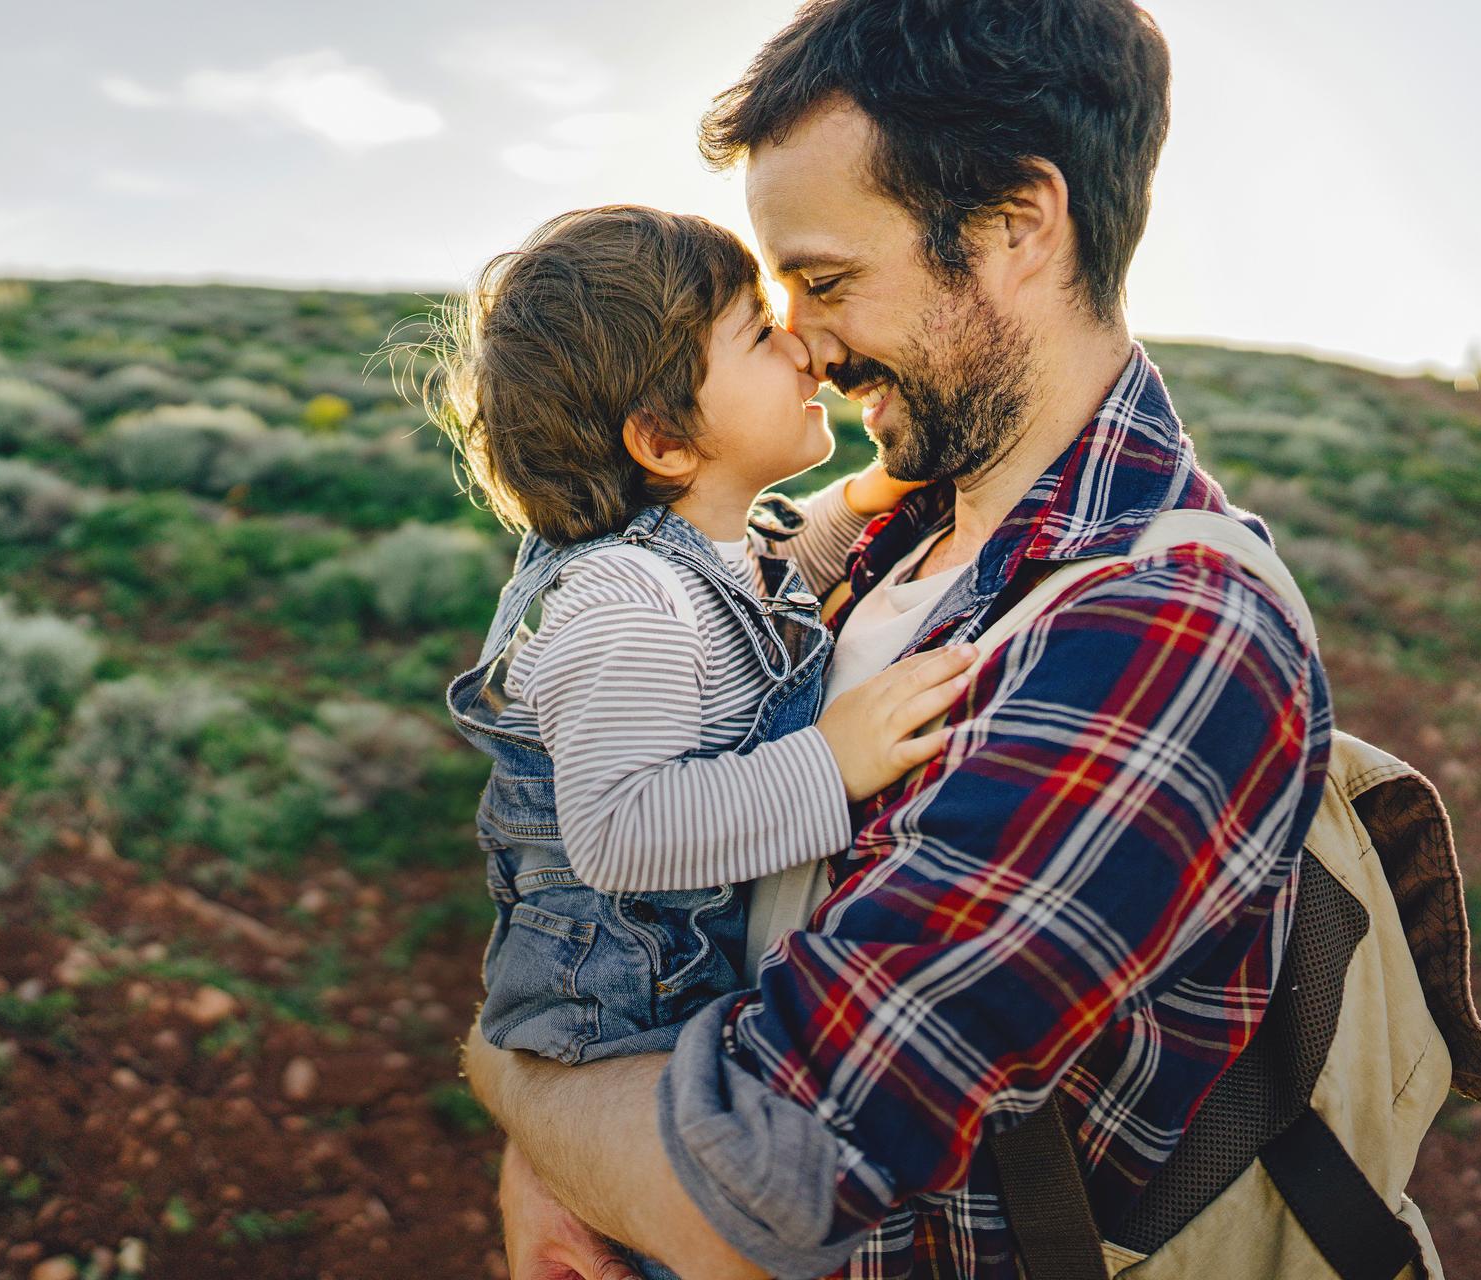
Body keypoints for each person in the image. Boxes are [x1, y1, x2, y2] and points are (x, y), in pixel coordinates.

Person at [461, 2, 1337, 1277]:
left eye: (823, 281)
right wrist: (576, 1154)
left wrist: (517, 1084)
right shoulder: (906, 520)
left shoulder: (1170, 629)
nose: (804, 341)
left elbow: (753, 1192)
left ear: (1014, 227)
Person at [428, 205, 980, 1276]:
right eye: (759, 334)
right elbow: (622, 833)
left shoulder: (698, 551)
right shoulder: (624, 603)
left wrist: (865, 496)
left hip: (664, 980)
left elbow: (771, 569)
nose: (804, 347)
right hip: (622, 1007)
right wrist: (833, 760)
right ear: (667, 438)